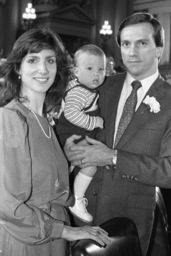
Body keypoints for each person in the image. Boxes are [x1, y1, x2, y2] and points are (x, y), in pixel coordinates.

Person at [64, 12, 171, 256]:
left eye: (142, 43)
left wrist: (113, 157)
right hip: (77, 213)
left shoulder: (169, 101)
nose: (132, 52)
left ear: (158, 49)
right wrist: (67, 149)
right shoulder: (100, 85)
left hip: (127, 222)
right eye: (125, 44)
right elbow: (68, 123)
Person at [0, 27, 111, 256]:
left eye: (50, 60)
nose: (43, 69)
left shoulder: (46, 120)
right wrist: (67, 231)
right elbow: (8, 205)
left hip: (54, 237)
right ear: (18, 68)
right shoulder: (11, 119)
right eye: (32, 60)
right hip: (29, 240)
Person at [55, 44, 106, 223]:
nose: (96, 74)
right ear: (76, 71)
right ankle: (76, 199)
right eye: (90, 68)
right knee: (90, 166)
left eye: (101, 69)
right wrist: (94, 122)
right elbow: (71, 113)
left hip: (75, 136)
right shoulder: (80, 92)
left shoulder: (79, 87)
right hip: (71, 136)